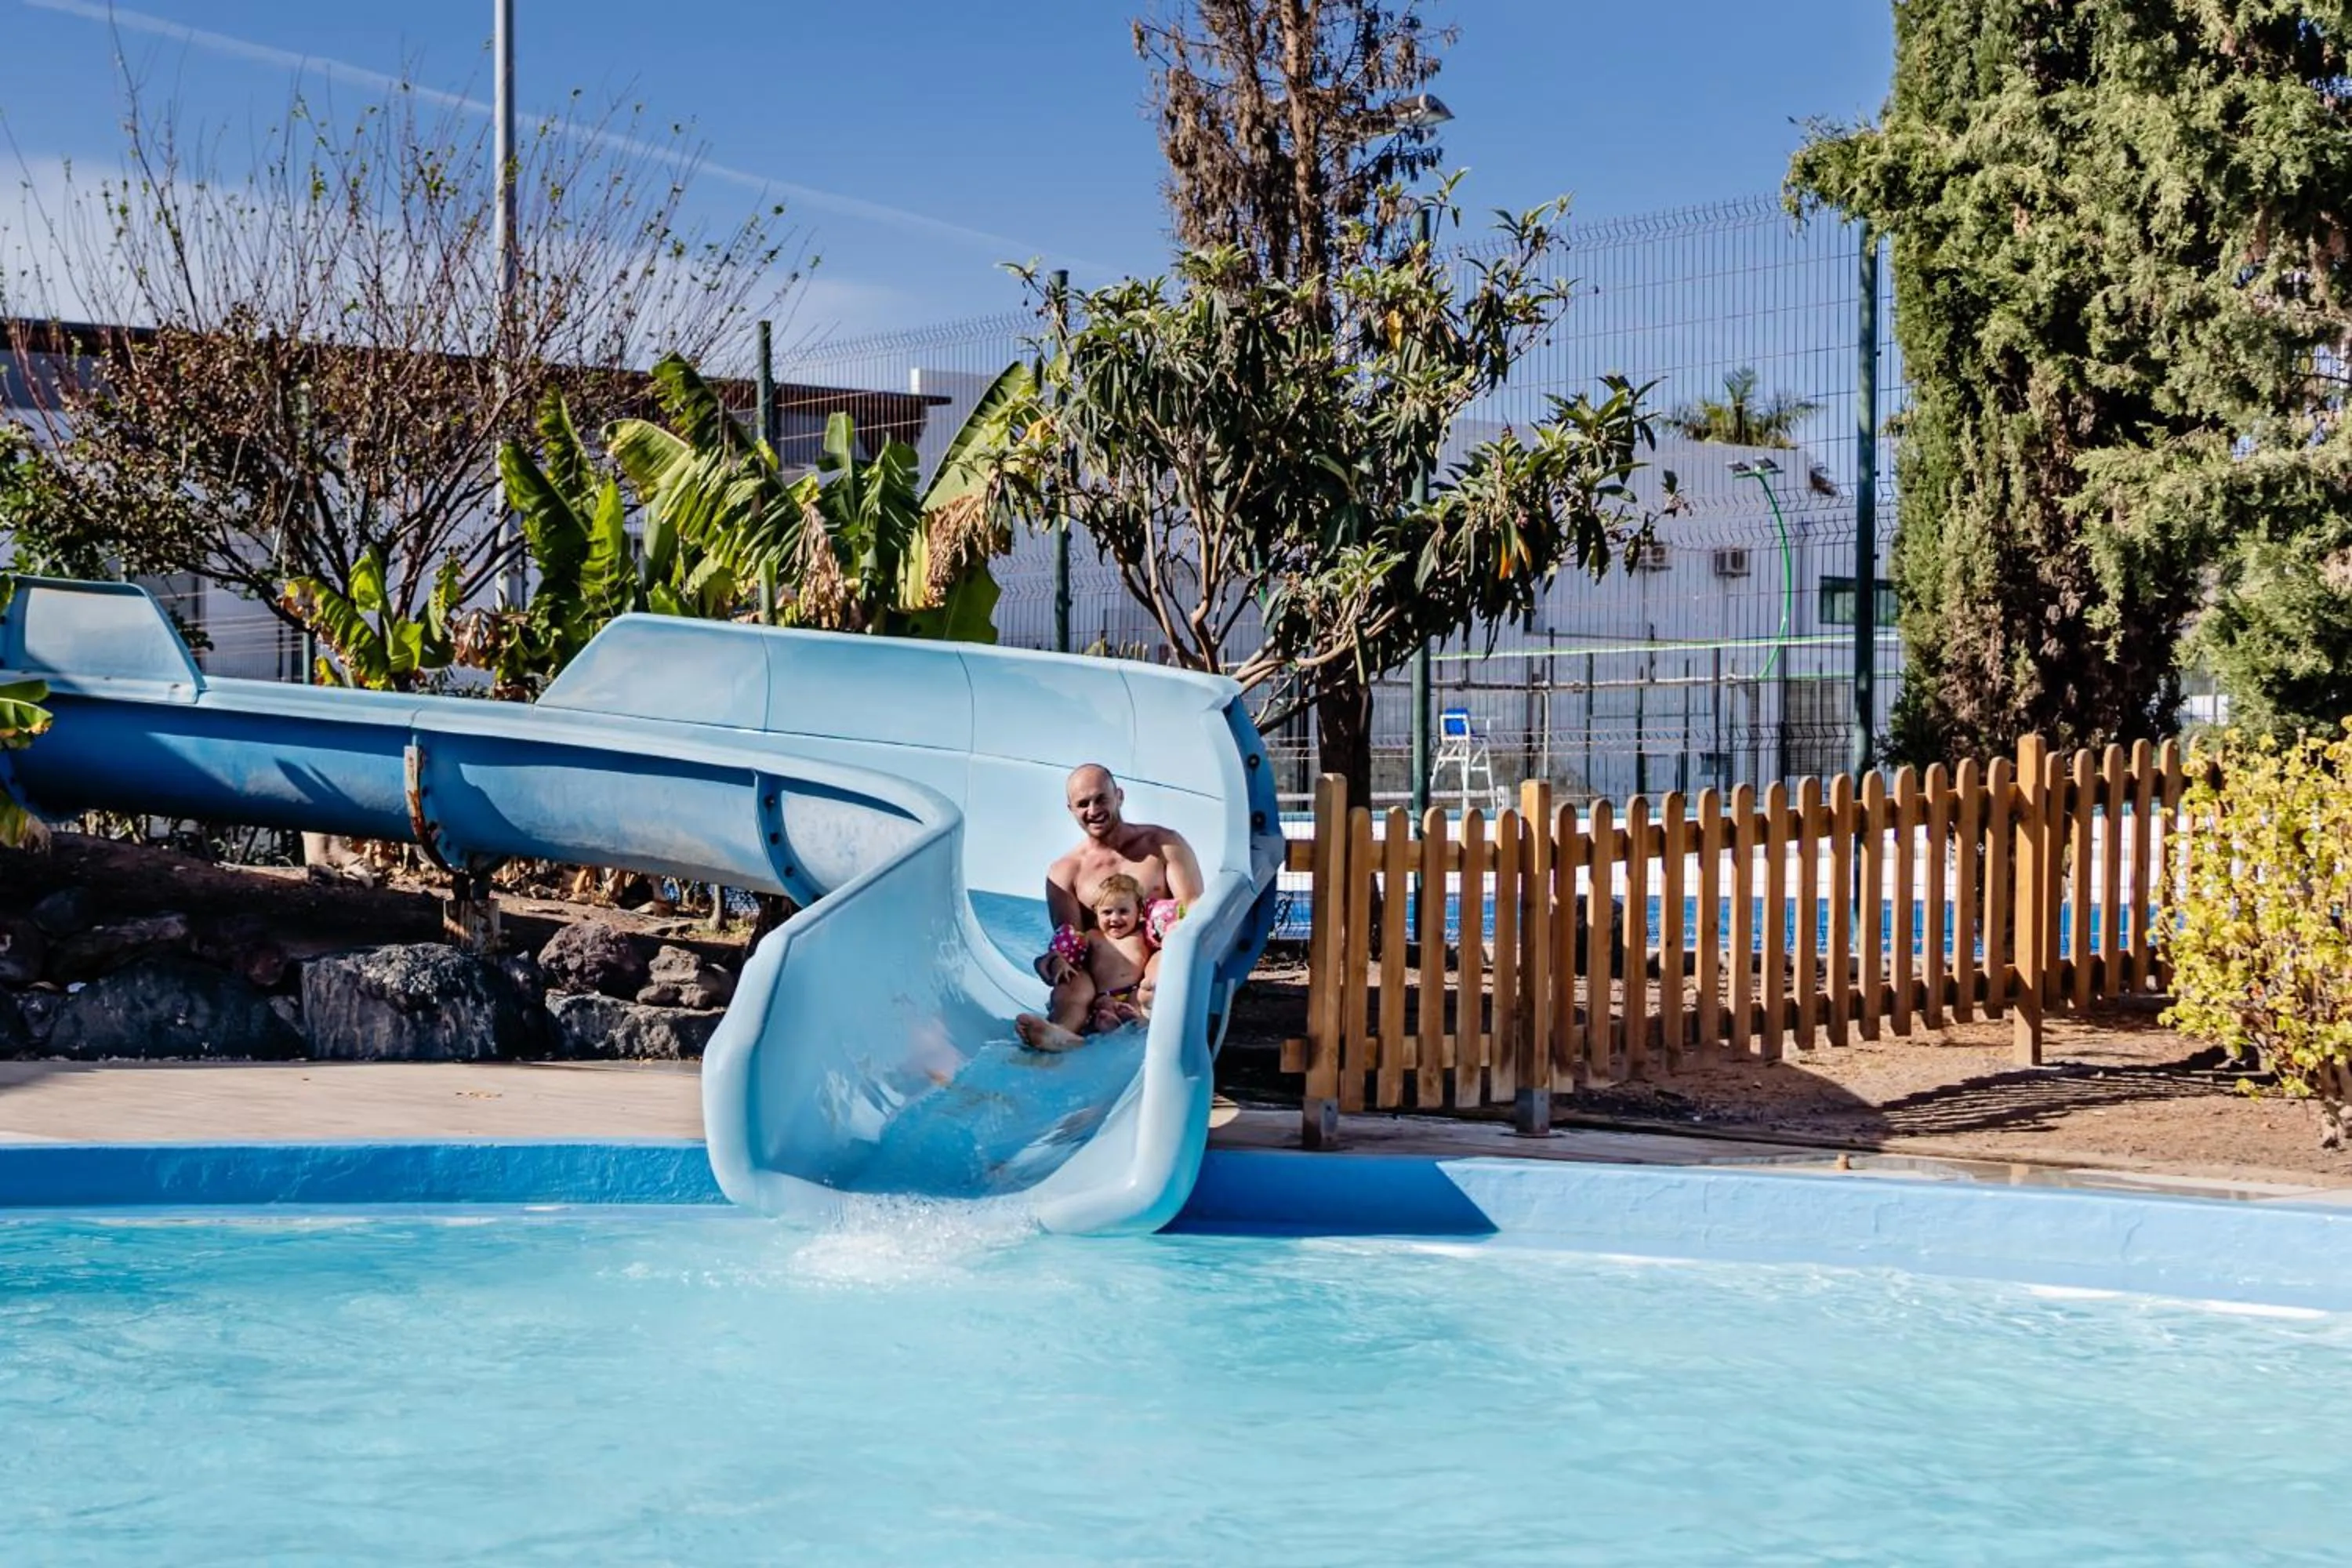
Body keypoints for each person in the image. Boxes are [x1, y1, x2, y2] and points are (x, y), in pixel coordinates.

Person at [1015, 764, 1203, 1052]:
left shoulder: (1163, 845)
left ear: (1119, 796)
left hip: (1154, 962)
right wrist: (1055, 966)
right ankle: (1063, 1033)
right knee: (1072, 982)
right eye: (1083, 804)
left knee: (1166, 962)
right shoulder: (1065, 873)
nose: (1093, 810)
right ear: (1071, 809)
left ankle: (1146, 1017)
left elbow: (1193, 911)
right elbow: (1072, 947)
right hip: (1103, 978)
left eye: (1101, 798)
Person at [1080, 873, 1156, 1035]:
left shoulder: (1143, 933)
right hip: (1104, 995)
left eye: (1123, 911)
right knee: (1103, 1006)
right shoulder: (1093, 936)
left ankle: (1136, 1020)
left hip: (1133, 990)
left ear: (1139, 912)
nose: (1115, 918)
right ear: (1096, 913)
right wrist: (1060, 961)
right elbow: (1073, 954)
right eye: (1107, 912)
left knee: (1138, 999)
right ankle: (1110, 1023)